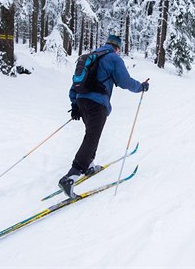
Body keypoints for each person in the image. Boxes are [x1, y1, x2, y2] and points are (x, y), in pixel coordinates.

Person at [59, 34, 149, 198]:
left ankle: (89, 165)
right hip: (97, 104)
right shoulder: (113, 58)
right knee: (92, 137)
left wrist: (75, 105)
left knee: (91, 134)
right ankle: (71, 176)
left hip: (82, 101)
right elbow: (125, 81)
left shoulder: (90, 57)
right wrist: (141, 87)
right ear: (117, 48)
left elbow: (75, 83)